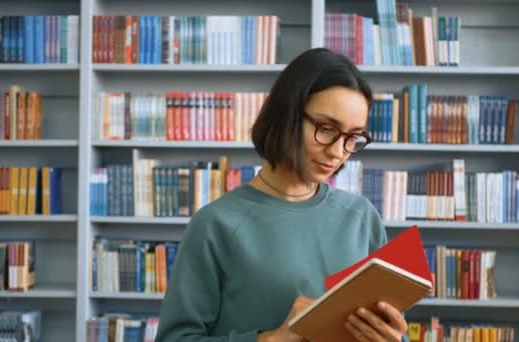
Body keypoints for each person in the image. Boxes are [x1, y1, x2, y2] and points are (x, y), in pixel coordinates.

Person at [155, 48, 409, 342]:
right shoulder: (215, 225)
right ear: (287, 115)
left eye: (353, 137)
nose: (338, 152)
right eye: (327, 129)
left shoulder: (362, 217)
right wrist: (270, 339)